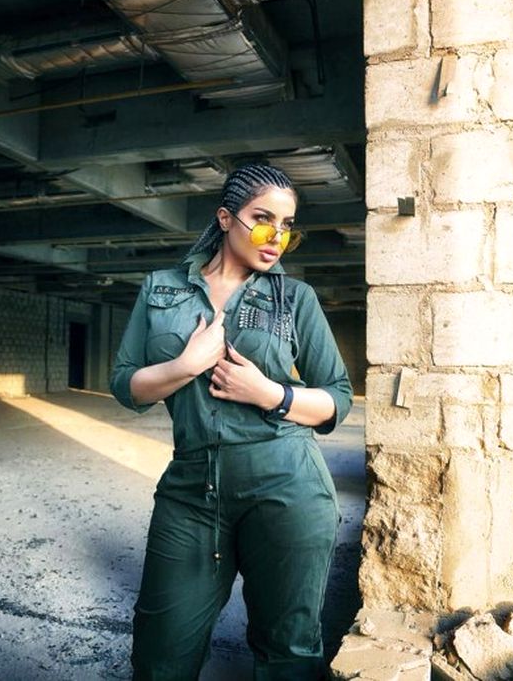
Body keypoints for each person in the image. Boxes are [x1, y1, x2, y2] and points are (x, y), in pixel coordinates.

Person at [110, 163, 353, 680]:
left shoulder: (295, 299)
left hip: (287, 484)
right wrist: (185, 365)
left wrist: (271, 394)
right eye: (263, 220)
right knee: (160, 652)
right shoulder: (161, 289)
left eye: (287, 226)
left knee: (288, 653)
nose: (276, 237)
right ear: (225, 218)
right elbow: (125, 384)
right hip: (191, 490)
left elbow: (338, 397)